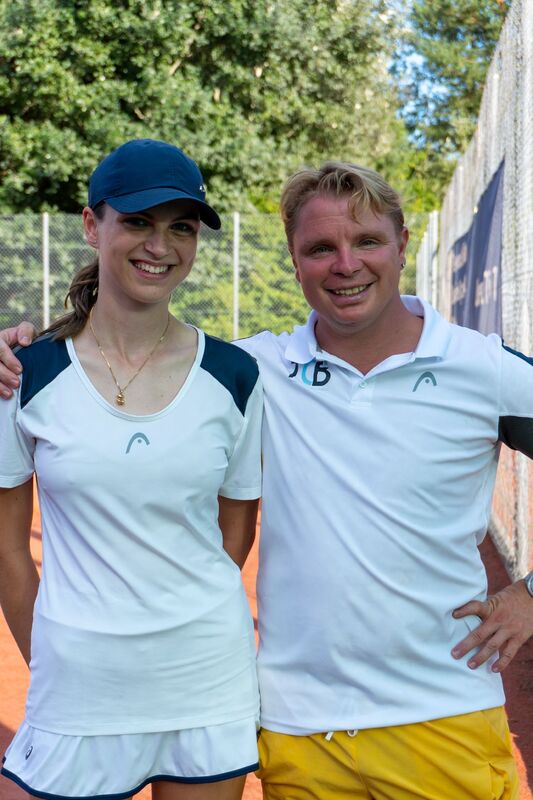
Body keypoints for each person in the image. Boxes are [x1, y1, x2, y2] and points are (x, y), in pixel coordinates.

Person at [2, 162, 533, 799]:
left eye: (367, 241)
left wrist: (530, 596)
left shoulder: (481, 368)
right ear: (294, 260)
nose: (346, 265)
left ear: (402, 243)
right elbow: (132, 357)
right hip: (298, 731)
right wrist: (17, 349)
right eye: (320, 248)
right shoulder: (253, 371)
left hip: (441, 717)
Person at [0, 139, 263, 800]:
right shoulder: (23, 376)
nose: (160, 245)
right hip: (78, 689)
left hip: (206, 680)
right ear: (93, 225)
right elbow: (7, 550)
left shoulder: (235, 375)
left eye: (182, 227)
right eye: (139, 221)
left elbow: (234, 534)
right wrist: (56, 662)